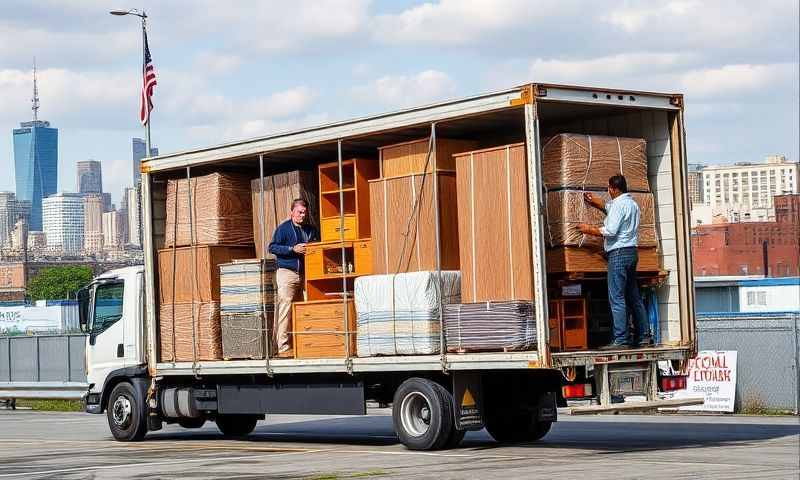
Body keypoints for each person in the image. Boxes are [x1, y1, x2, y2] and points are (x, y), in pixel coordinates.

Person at [578, 175, 653, 350]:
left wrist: (588, 229)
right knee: (634, 296)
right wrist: (594, 201)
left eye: (608, 189)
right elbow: (608, 207)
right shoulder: (632, 204)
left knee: (616, 298)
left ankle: (621, 340)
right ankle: (644, 337)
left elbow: (610, 230)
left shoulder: (619, 205)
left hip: (618, 253)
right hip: (632, 253)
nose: (608, 192)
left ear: (612, 188)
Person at [268, 198, 319, 357]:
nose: (302, 215)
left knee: (307, 307)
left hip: (306, 274)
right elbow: (272, 247)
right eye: (299, 212)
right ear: (292, 212)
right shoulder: (283, 229)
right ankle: (282, 346)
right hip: (287, 273)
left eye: (304, 212)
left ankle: (306, 343)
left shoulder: (311, 230)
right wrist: (292, 249)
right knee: (285, 307)